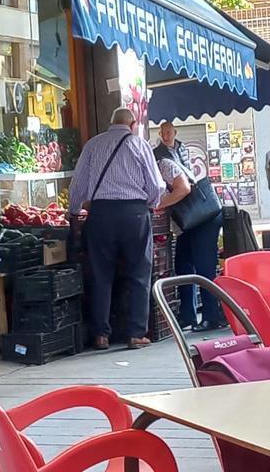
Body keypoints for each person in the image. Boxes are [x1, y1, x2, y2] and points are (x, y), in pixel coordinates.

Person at [68, 107, 164, 350]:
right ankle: (135, 334)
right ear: (132, 125)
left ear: (111, 123)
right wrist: (149, 204)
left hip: (101, 214)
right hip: (134, 214)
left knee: (100, 274)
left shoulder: (93, 145)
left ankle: (101, 335)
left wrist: (73, 211)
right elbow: (156, 185)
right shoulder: (139, 145)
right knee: (139, 273)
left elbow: (78, 184)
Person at [156, 159, 226, 332]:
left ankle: (211, 317)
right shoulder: (151, 172)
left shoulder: (163, 165)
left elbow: (184, 188)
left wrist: (159, 204)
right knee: (182, 264)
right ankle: (188, 315)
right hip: (189, 222)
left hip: (203, 219)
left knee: (204, 267)